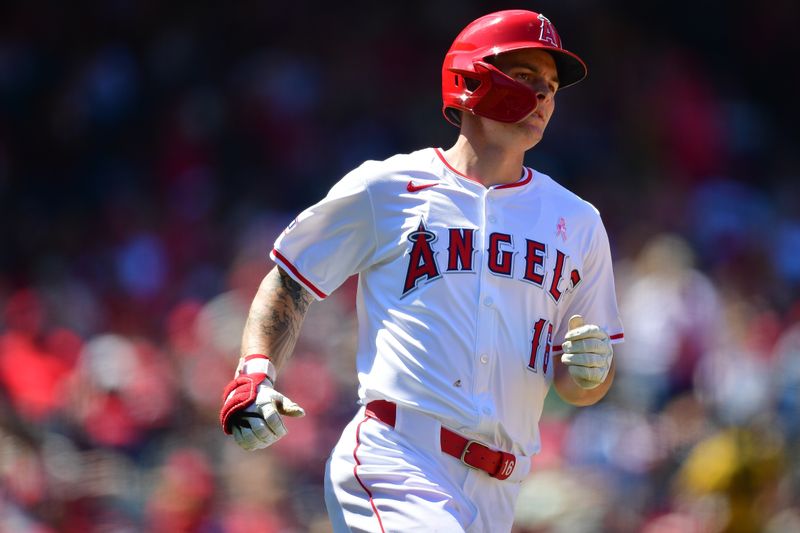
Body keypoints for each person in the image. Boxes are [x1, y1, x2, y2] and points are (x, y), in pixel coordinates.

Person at [220, 9, 624, 532]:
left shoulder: (578, 221)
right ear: (470, 79)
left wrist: (592, 372)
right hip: (399, 456)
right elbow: (291, 280)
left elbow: (579, 384)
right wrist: (256, 373)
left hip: (500, 488)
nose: (544, 96)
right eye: (526, 78)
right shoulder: (387, 187)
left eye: (551, 86)